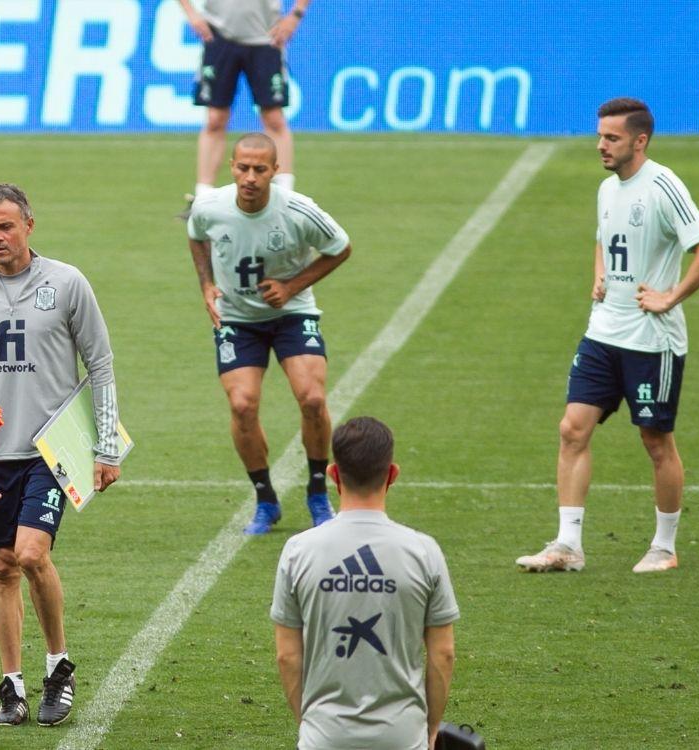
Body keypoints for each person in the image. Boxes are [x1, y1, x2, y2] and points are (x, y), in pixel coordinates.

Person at [516, 98, 699, 574]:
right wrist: (600, 274)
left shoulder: (663, 185)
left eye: (611, 138)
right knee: (572, 429)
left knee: (656, 441)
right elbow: (602, 237)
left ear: (640, 140)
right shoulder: (607, 189)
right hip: (603, 332)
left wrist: (670, 297)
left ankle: (664, 547)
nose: (600, 146)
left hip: (652, 342)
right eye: (600, 136)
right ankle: (568, 545)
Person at [0, 183, 123, 727]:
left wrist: (107, 446)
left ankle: (58, 666)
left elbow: (100, 363)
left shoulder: (67, 283)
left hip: (51, 447)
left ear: (28, 224)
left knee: (29, 554)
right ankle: (13, 687)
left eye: (5, 226)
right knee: (1, 567)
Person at [187, 132, 351, 534]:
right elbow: (196, 235)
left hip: (292, 313)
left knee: (312, 397)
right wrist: (206, 284)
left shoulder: (298, 210)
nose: (250, 177)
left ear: (275, 172)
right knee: (242, 405)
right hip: (238, 319)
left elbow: (340, 247)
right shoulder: (211, 207)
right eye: (243, 167)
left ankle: (317, 492)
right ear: (232, 167)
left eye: (260, 169)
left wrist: (292, 286)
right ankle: (265, 499)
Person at [271, 417, 458, 750]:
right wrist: (429, 732)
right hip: (402, 737)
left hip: (323, 737)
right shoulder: (423, 551)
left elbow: (287, 656)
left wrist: (310, 725)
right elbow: (442, 654)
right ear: (392, 474)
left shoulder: (298, 551)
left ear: (333, 475)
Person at [178, 0, 311, 216]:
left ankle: (287, 199)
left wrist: (295, 14)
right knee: (214, 119)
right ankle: (202, 199)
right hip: (219, 35)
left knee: (274, 118)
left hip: (266, 37)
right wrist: (191, 13)